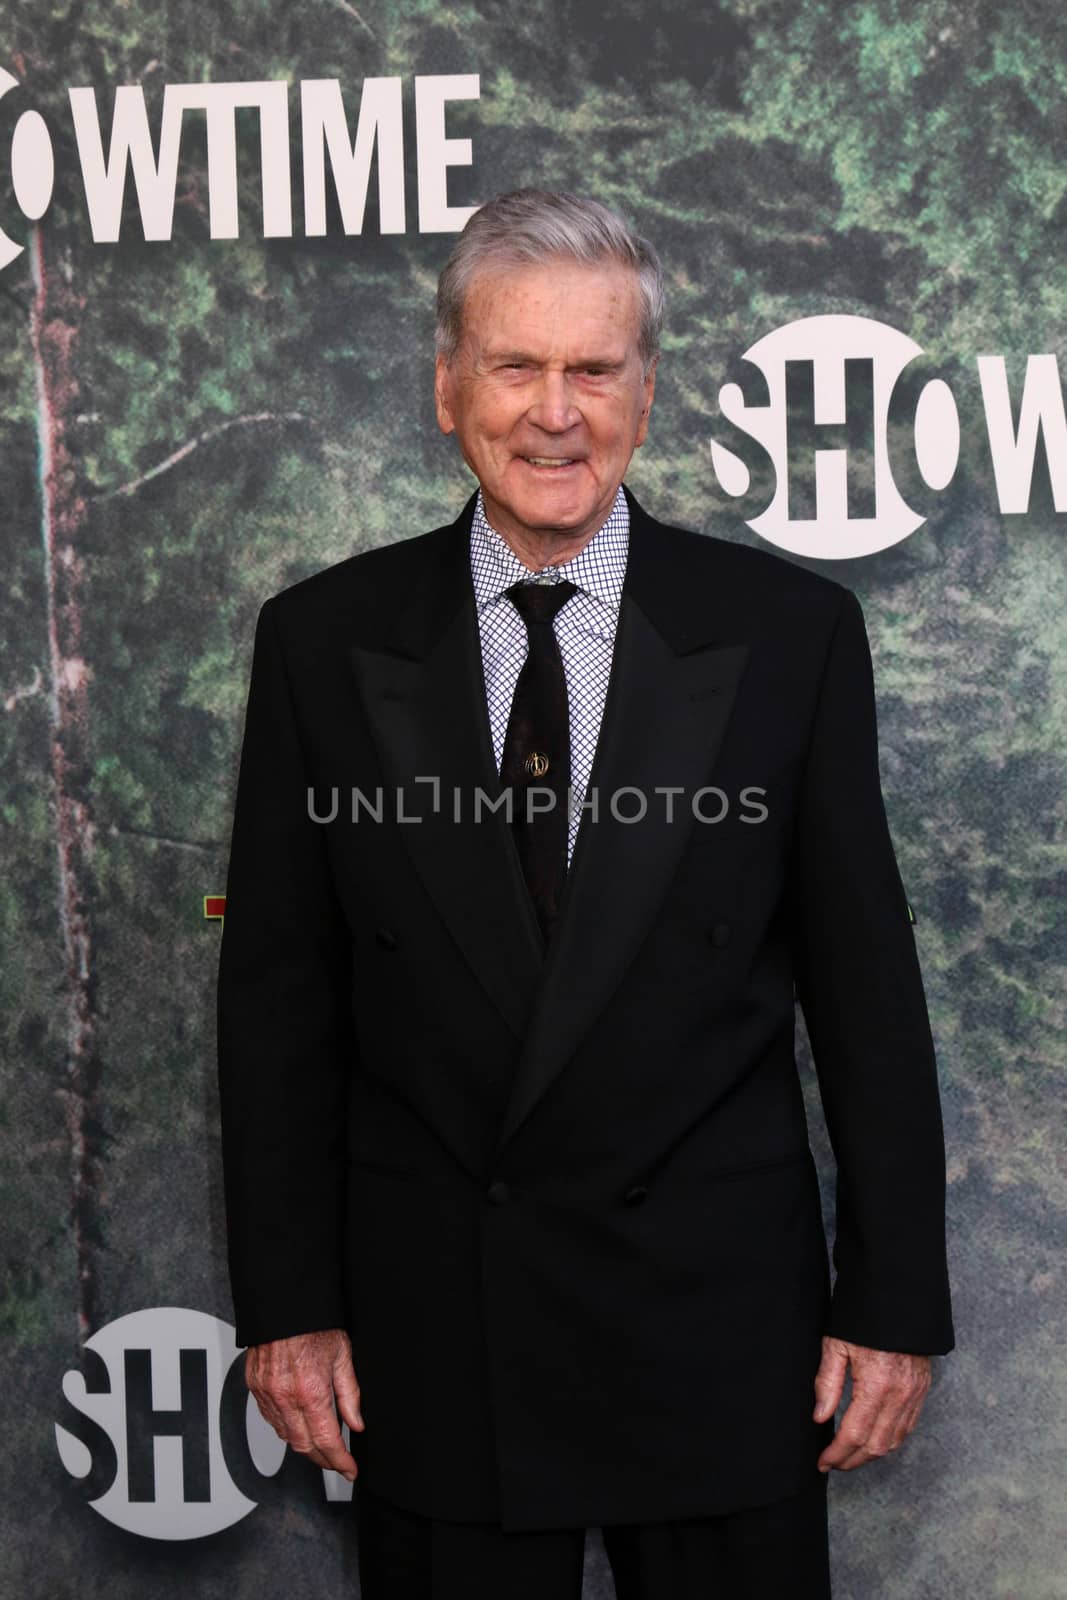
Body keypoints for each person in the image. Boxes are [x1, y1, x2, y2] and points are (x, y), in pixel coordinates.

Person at [216, 188, 954, 1599]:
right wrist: (292, 1306)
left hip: (723, 1331)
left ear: (647, 391)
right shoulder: (322, 643)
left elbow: (867, 994)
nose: (557, 413)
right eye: (516, 366)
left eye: (595, 369)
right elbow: (280, 1006)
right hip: (439, 1333)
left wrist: (895, 1300)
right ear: (447, 388)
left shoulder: (789, 637)